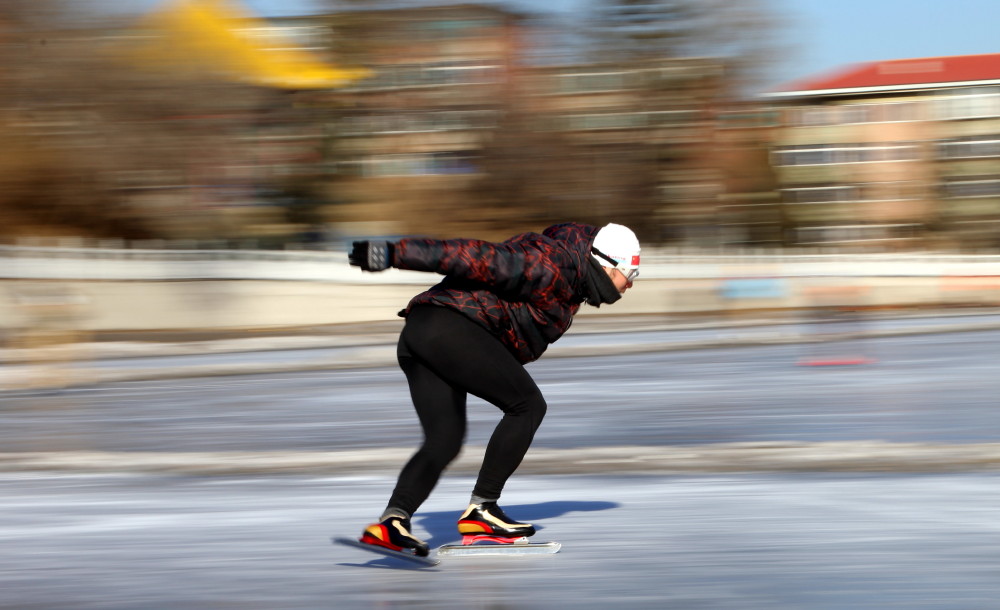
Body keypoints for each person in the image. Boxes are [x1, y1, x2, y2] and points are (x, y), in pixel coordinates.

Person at [347, 222, 640, 557]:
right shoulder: (551, 262)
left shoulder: (572, 283)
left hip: (423, 333)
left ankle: (392, 522)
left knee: (444, 441)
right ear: (607, 264)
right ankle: (483, 511)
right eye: (631, 274)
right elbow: (475, 256)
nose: (630, 285)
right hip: (450, 328)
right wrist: (395, 253)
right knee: (528, 406)